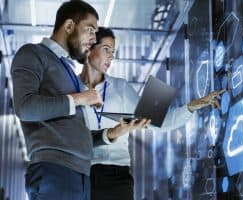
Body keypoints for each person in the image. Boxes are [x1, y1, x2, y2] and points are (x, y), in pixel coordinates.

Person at [11, 1, 148, 200]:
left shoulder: (69, 73)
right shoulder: (32, 53)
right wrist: (79, 98)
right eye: (90, 30)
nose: (93, 40)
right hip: (55, 171)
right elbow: (25, 107)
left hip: (81, 176)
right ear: (68, 26)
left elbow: (76, 132)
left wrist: (110, 134)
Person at [80, 27, 224, 200]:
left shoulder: (121, 87)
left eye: (113, 52)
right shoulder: (70, 89)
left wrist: (192, 106)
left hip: (116, 176)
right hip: (80, 175)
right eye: (106, 49)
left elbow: (161, 122)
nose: (111, 56)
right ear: (89, 48)